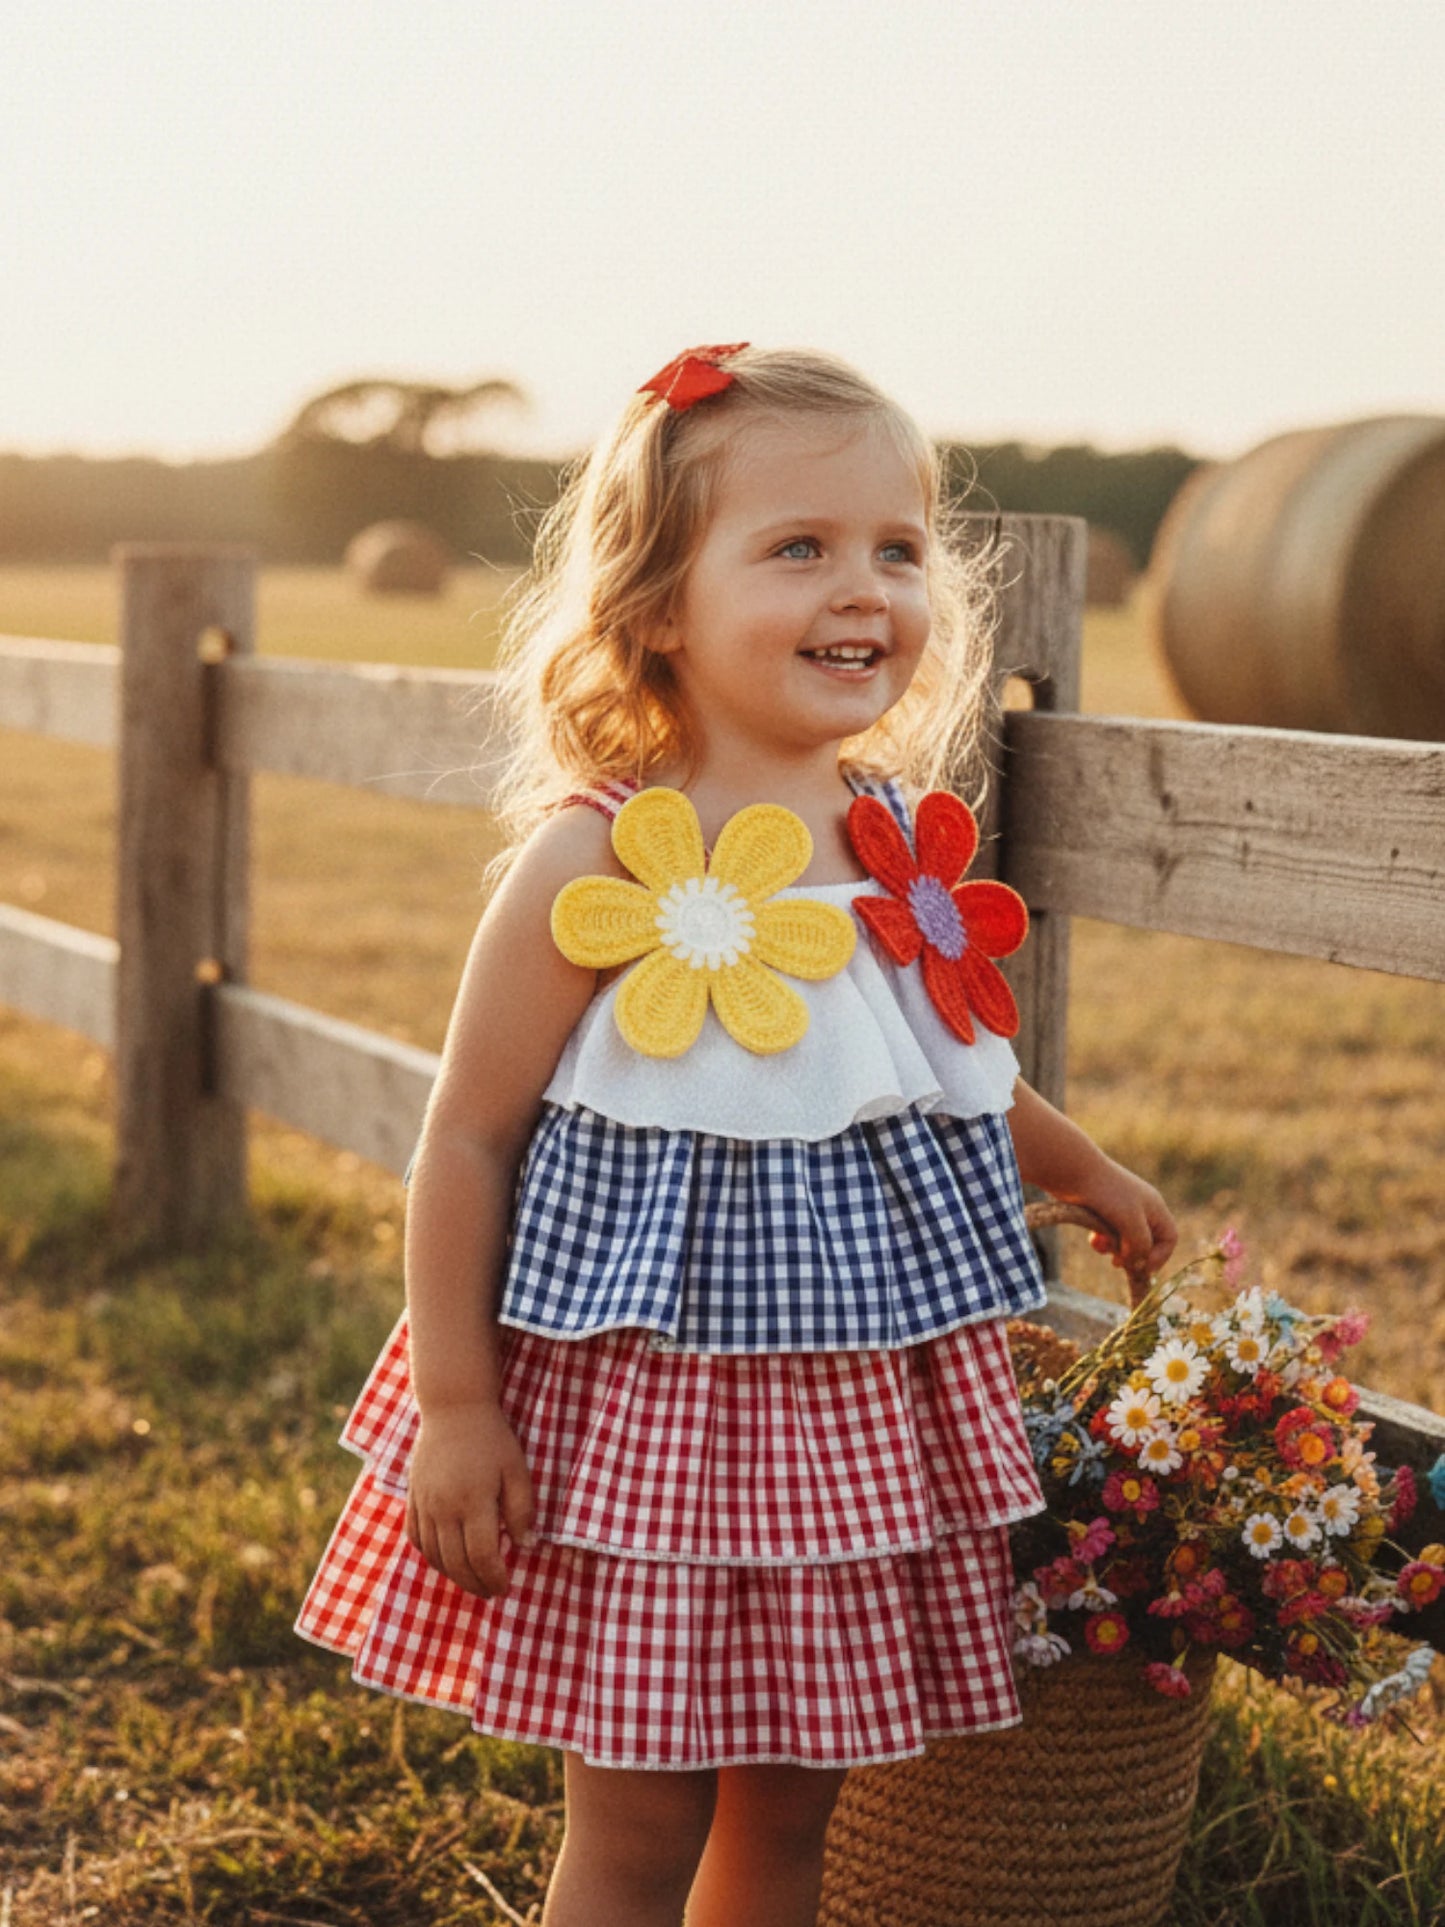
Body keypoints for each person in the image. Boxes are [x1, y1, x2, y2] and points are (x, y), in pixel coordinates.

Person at [295, 342, 1177, 1927]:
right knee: (638, 1838)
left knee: (785, 1836)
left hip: (854, 1447)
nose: (866, 590)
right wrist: (456, 1405)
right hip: (642, 1445)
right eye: (799, 548)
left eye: (896, 550)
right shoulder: (594, 858)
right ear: (653, 603)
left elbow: (950, 1065)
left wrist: (1080, 1168)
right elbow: (467, 1142)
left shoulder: (899, 847)